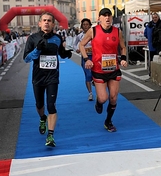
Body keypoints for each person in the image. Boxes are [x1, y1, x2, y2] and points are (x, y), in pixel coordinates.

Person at [23, 12, 72, 147]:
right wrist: (37, 50)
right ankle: (42, 118)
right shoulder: (32, 38)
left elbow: (61, 54)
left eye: (49, 21)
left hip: (52, 77)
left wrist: (66, 54)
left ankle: (50, 136)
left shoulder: (58, 38)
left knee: (51, 105)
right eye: (44, 20)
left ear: (53, 24)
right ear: (39, 23)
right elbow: (26, 59)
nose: (46, 22)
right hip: (38, 77)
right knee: (40, 105)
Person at [79, 8, 128, 132]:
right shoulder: (93, 31)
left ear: (111, 18)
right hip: (99, 70)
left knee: (113, 97)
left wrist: (123, 58)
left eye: (109, 16)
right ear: (99, 18)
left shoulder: (117, 32)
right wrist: (87, 59)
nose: (107, 18)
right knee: (103, 98)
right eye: (104, 16)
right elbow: (81, 45)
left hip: (113, 69)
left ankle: (108, 121)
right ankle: (98, 102)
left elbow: (123, 47)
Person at [73, 18, 94, 101]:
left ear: (90, 25)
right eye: (84, 24)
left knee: (95, 74)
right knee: (88, 75)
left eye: (87, 24)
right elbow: (74, 45)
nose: (85, 26)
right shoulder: (80, 36)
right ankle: (90, 93)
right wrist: (77, 49)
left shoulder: (94, 34)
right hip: (85, 57)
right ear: (82, 26)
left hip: (94, 56)